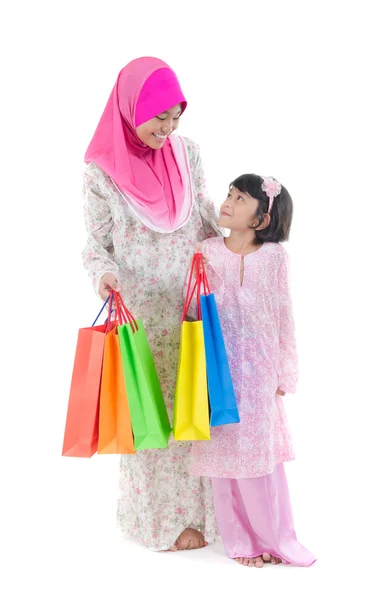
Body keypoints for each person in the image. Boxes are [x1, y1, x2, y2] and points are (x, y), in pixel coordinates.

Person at [82, 57, 222, 551]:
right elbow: (97, 244)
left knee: (193, 408)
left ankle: (201, 517)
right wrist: (103, 277)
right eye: (159, 117)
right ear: (129, 109)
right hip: (140, 312)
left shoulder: (188, 154)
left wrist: (243, 237)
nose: (168, 129)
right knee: (148, 414)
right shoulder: (102, 173)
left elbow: (204, 218)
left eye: (176, 117)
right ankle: (157, 521)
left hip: (187, 306)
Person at [190, 174, 316, 567]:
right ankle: (238, 541)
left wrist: (285, 372)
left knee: (260, 458)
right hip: (217, 370)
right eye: (229, 193)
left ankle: (273, 536)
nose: (227, 201)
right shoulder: (206, 250)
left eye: (240, 198)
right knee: (222, 454)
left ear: (262, 218)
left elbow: (283, 315)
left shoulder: (275, 258)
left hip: (260, 371)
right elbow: (193, 308)